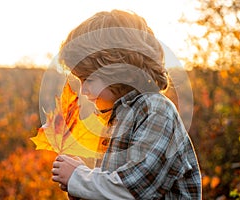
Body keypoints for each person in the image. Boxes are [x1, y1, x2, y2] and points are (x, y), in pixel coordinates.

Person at [51, 9, 202, 199]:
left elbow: (133, 189)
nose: (83, 91)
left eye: (87, 79)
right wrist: (83, 191)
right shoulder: (118, 118)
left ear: (121, 70)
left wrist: (80, 178)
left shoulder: (156, 111)